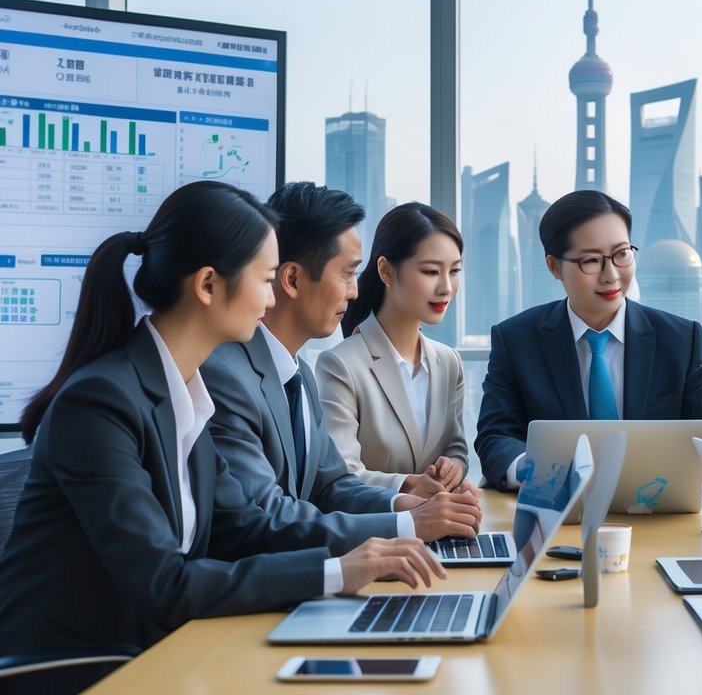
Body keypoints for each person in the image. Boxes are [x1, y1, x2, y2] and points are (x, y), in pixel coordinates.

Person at [0, 180, 444, 661]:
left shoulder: (185, 393)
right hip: (72, 673)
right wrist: (339, 571)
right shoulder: (101, 401)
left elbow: (246, 527)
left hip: (160, 651)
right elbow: (164, 582)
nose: (273, 300)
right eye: (265, 279)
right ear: (209, 285)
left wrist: (378, 547)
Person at [200, 183, 481, 545]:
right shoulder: (227, 376)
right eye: (348, 274)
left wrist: (406, 505)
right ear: (292, 279)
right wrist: (408, 526)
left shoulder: (297, 373)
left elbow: (330, 485)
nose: (354, 290)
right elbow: (267, 514)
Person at [476, 190, 702, 490]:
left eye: (621, 254)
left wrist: (686, 475)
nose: (611, 275)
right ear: (554, 267)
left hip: (656, 505)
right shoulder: (516, 340)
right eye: (591, 261)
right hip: (555, 511)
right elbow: (495, 436)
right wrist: (535, 473)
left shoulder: (680, 339)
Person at [316, 202, 472, 497]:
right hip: (377, 535)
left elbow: (456, 447)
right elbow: (341, 474)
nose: (446, 287)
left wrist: (453, 467)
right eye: (430, 271)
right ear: (386, 271)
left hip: (440, 531)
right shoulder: (340, 365)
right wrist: (408, 487)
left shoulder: (449, 362)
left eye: (454, 271)